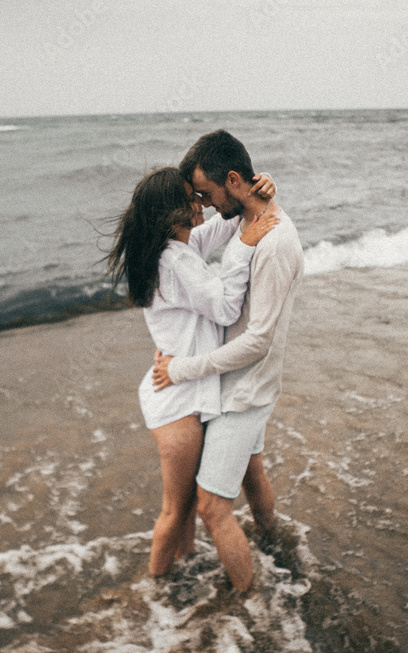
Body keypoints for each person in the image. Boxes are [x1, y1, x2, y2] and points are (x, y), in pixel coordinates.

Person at [105, 165, 279, 579]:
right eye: (192, 196)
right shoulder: (174, 262)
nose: (202, 201)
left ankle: (181, 570)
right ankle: (155, 590)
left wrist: (258, 189)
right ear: (172, 211)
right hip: (179, 400)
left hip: (179, 386)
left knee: (183, 508)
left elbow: (222, 226)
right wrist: (244, 249)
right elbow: (223, 308)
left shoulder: (179, 247)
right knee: (176, 509)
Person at [152, 129, 304, 592]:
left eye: (207, 193)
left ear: (233, 180)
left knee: (212, 507)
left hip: (244, 390)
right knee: (252, 472)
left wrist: (180, 369)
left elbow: (258, 340)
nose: (204, 204)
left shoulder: (274, 242)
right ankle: (273, 540)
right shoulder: (246, 219)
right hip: (238, 381)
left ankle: (247, 605)